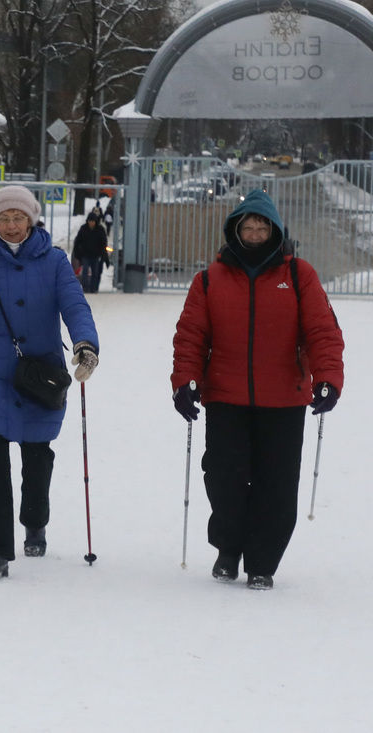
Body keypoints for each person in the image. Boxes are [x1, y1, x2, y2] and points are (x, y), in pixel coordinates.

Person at [171, 189, 343, 590]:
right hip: (226, 396)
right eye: (247, 225)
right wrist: (185, 381)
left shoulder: (299, 275)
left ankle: (262, 561)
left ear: (275, 230)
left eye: (261, 226)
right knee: (223, 477)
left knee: (277, 484)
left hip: (283, 399)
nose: (254, 232)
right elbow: (191, 336)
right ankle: (229, 549)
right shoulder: (210, 280)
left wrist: (328, 379)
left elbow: (322, 331)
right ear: (235, 229)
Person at [0, 185, 99, 581]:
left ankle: (35, 520)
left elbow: (75, 304)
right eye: (4, 219)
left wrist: (85, 343)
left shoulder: (56, 262)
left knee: (37, 454)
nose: (11, 226)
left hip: (41, 374)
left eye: (19, 218)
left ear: (32, 219)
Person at [71, 210, 109, 293]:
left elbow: (104, 242)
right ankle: (86, 288)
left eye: (93, 221)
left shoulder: (100, 230)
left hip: (96, 255)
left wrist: (103, 253)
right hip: (86, 255)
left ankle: (94, 288)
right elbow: (78, 241)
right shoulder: (83, 229)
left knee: (95, 273)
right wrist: (78, 252)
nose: (91, 223)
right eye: (90, 221)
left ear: (96, 222)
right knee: (85, 272)